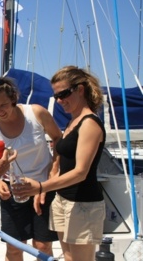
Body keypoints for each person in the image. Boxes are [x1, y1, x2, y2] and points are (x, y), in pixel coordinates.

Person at [13, 66, 106, 261]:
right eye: (56, 96)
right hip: (63, 201)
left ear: (80, 89)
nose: (60, 101)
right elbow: (62, 162)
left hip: (83, 204)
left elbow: (80, 172)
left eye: (63, 94)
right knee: (69, 258)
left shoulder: (89, 123)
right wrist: (46, 190)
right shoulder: (73, 122)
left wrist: (40, 187)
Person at [0, 76, 62, 261]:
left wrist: (53, 171)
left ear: (14, 98)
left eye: (3, 105)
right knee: (15, 247)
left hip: (43, 187)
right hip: (12, 190)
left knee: (42, 246)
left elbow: (58, 139)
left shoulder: (37, 113)